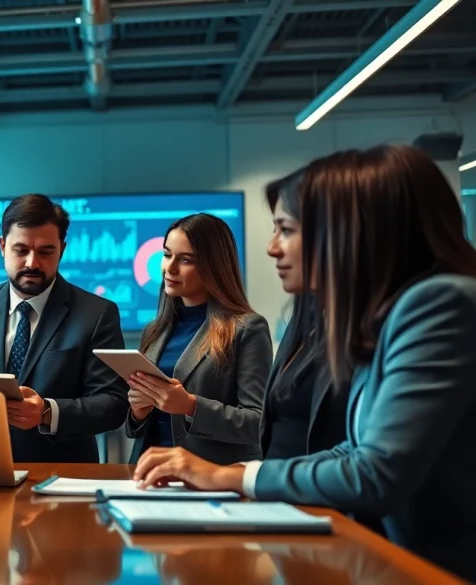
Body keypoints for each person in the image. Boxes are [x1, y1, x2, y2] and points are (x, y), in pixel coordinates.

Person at [132, 145, 476, 582]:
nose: (273, 248)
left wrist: (231, 477)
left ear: (350, 231)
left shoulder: (438, 303)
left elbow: (375, 472)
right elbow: (355, 450)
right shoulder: (383, 313)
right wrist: (239, 474)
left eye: (287, 229)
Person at [0, 194, 129, 463]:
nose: (32, 263)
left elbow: (113, 404)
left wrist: (47, 411)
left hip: (63, 477)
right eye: (21, 250)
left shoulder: (97, 313)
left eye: (45, 251)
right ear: (2, 246)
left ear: (62, 250)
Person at [125, 213, 271, 465]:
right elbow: (137, 430)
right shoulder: (154, 330)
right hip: (149, 472)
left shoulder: (247, 328)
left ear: (213, 266)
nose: (169, 268)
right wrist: (138, 412)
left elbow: (258, 423)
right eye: (167, 254)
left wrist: (190, 406)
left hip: (210, 476)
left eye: (185, 260)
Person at [259, 172, 346, 459]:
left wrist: (239, 476)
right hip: (281, 497)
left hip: (322, 499)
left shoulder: (374, 324)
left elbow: (366, 461)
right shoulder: (306, 310)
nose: (272, 248)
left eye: (285, 230)